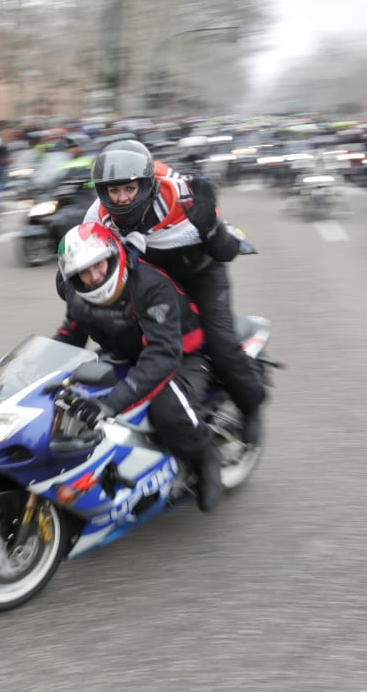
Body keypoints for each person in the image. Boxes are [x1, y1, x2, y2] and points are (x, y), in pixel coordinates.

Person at [83, 139, 267, 445]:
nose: (122, 198)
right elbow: (85, 253)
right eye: (113, 190)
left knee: (221, 344)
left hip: (202, 272)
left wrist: (212, 230)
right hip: (154, 277)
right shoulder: (97, 214)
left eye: (130, 188)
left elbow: (228, 250)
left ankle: (251, 405)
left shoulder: (183, 196)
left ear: (147, 184)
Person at [53, 222, 222, 512]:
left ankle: (206, 457)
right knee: (71, 393)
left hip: (182, 354)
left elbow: (162, 355)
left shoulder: (150, 286)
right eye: (84, 271)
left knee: (167, 411)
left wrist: (111, 402)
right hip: (124, 354)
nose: (94, 277)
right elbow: (70, 335)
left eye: (99, 265)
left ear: (113, 255)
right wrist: (33, 372)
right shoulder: (77, 294)